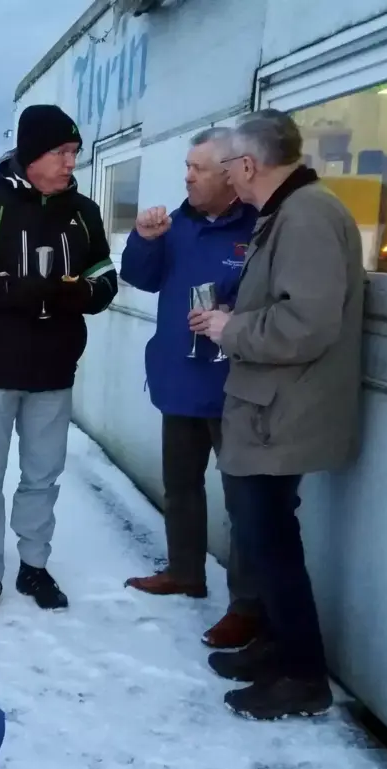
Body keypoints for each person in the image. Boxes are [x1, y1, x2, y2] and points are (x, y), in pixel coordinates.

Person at [190, 109, 365, 720]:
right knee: (262, 535)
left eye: (226, 166)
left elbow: (307, 323)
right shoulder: (288, 211)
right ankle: (274, 647)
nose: (224, 177)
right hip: (270, 406)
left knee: (271, 540)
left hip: (282, 410)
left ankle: (302, 676)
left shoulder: (307, 215)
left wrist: (230, 328)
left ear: (247, 165)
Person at [0, 104, 118, 615]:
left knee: (43, 476)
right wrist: (14, 291)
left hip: (53, 370)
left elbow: (105, 278)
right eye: (61, 152)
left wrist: (81, 294)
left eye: (74, 152)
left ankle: (34, 565)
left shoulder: (83, 212)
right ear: (32, 153)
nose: (70, 162)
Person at [119, 128, 263, 650]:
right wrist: (144, 239)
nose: (186, 177)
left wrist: (234, 315)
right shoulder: (176, 225)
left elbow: (280, 300)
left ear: (230, 173)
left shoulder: (259, 227)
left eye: (197, 169)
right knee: (180, 485)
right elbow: (139, 276)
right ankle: (185, 571)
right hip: (180, 379)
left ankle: (246, 606)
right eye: (186, 167)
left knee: (245, 501)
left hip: (237, 387)